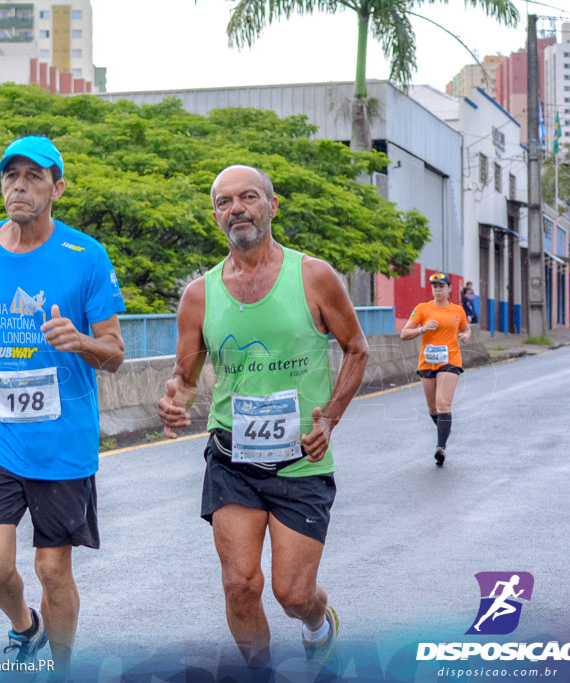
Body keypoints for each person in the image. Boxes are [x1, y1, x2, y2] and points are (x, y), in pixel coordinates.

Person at [157, 165, 369, 670]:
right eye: (225, 202)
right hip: (232, 458)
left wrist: (330, 419)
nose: (237, 209)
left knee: (293, 594)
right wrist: (175, 403)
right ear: (215, 217)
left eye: (248, 197)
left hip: (301, 461)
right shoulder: (199, 295)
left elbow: (356, 350)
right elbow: (185, 377)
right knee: (239, 586)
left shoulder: (313, 276)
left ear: (272, 206)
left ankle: (319, 624)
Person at [0, 136, 126, 675]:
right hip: (0, 436)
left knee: (53, 570)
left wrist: (82, 342)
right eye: (10, 176)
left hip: (64, 441)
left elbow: (115, 352)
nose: (19, 186)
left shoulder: (86, 256)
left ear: (57, 188)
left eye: (33, 176)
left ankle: (62, 668)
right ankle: (26, 627)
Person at [400, 272, 471, 466]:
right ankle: (444, 427)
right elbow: (404, 334)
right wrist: (421, 329)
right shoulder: (422, 309)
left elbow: (465, 328)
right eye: (435, 287)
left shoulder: (457, 310)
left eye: (441, 286)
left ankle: (441, 448)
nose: (438, 290)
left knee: (443, 404)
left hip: (451, 361)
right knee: (432, 408)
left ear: (449, 289)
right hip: (428, 362)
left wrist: (465, 336)